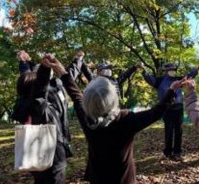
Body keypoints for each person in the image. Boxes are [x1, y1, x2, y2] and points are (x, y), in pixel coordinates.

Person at [42, 55, 184, 184]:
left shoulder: (87, 118)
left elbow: (76, 95)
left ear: (87, 101)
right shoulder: (126, 118)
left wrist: (63, 72)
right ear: (113, 97)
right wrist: (171, 91)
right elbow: (156, 112)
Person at [13, 55, 73, 184]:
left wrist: (24, 62)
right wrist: (45, 69)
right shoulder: (39, 109)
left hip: (34, 157)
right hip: (51, 159)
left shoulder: (23, 103)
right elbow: (39, 91)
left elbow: (26, 76)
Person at [141, 63, 198, 159]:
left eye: (174, 69)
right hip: (167, 108)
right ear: (166, 71)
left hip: (178, 108)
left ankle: (177, 153)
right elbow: (150, 79)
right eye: (170, 69)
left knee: (178, 131)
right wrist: (143, 71)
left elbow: (189, 76)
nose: (172, 71)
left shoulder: (179, 80)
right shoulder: (160, 81)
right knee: (168, 130)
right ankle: (167, 152)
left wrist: (196, 69)